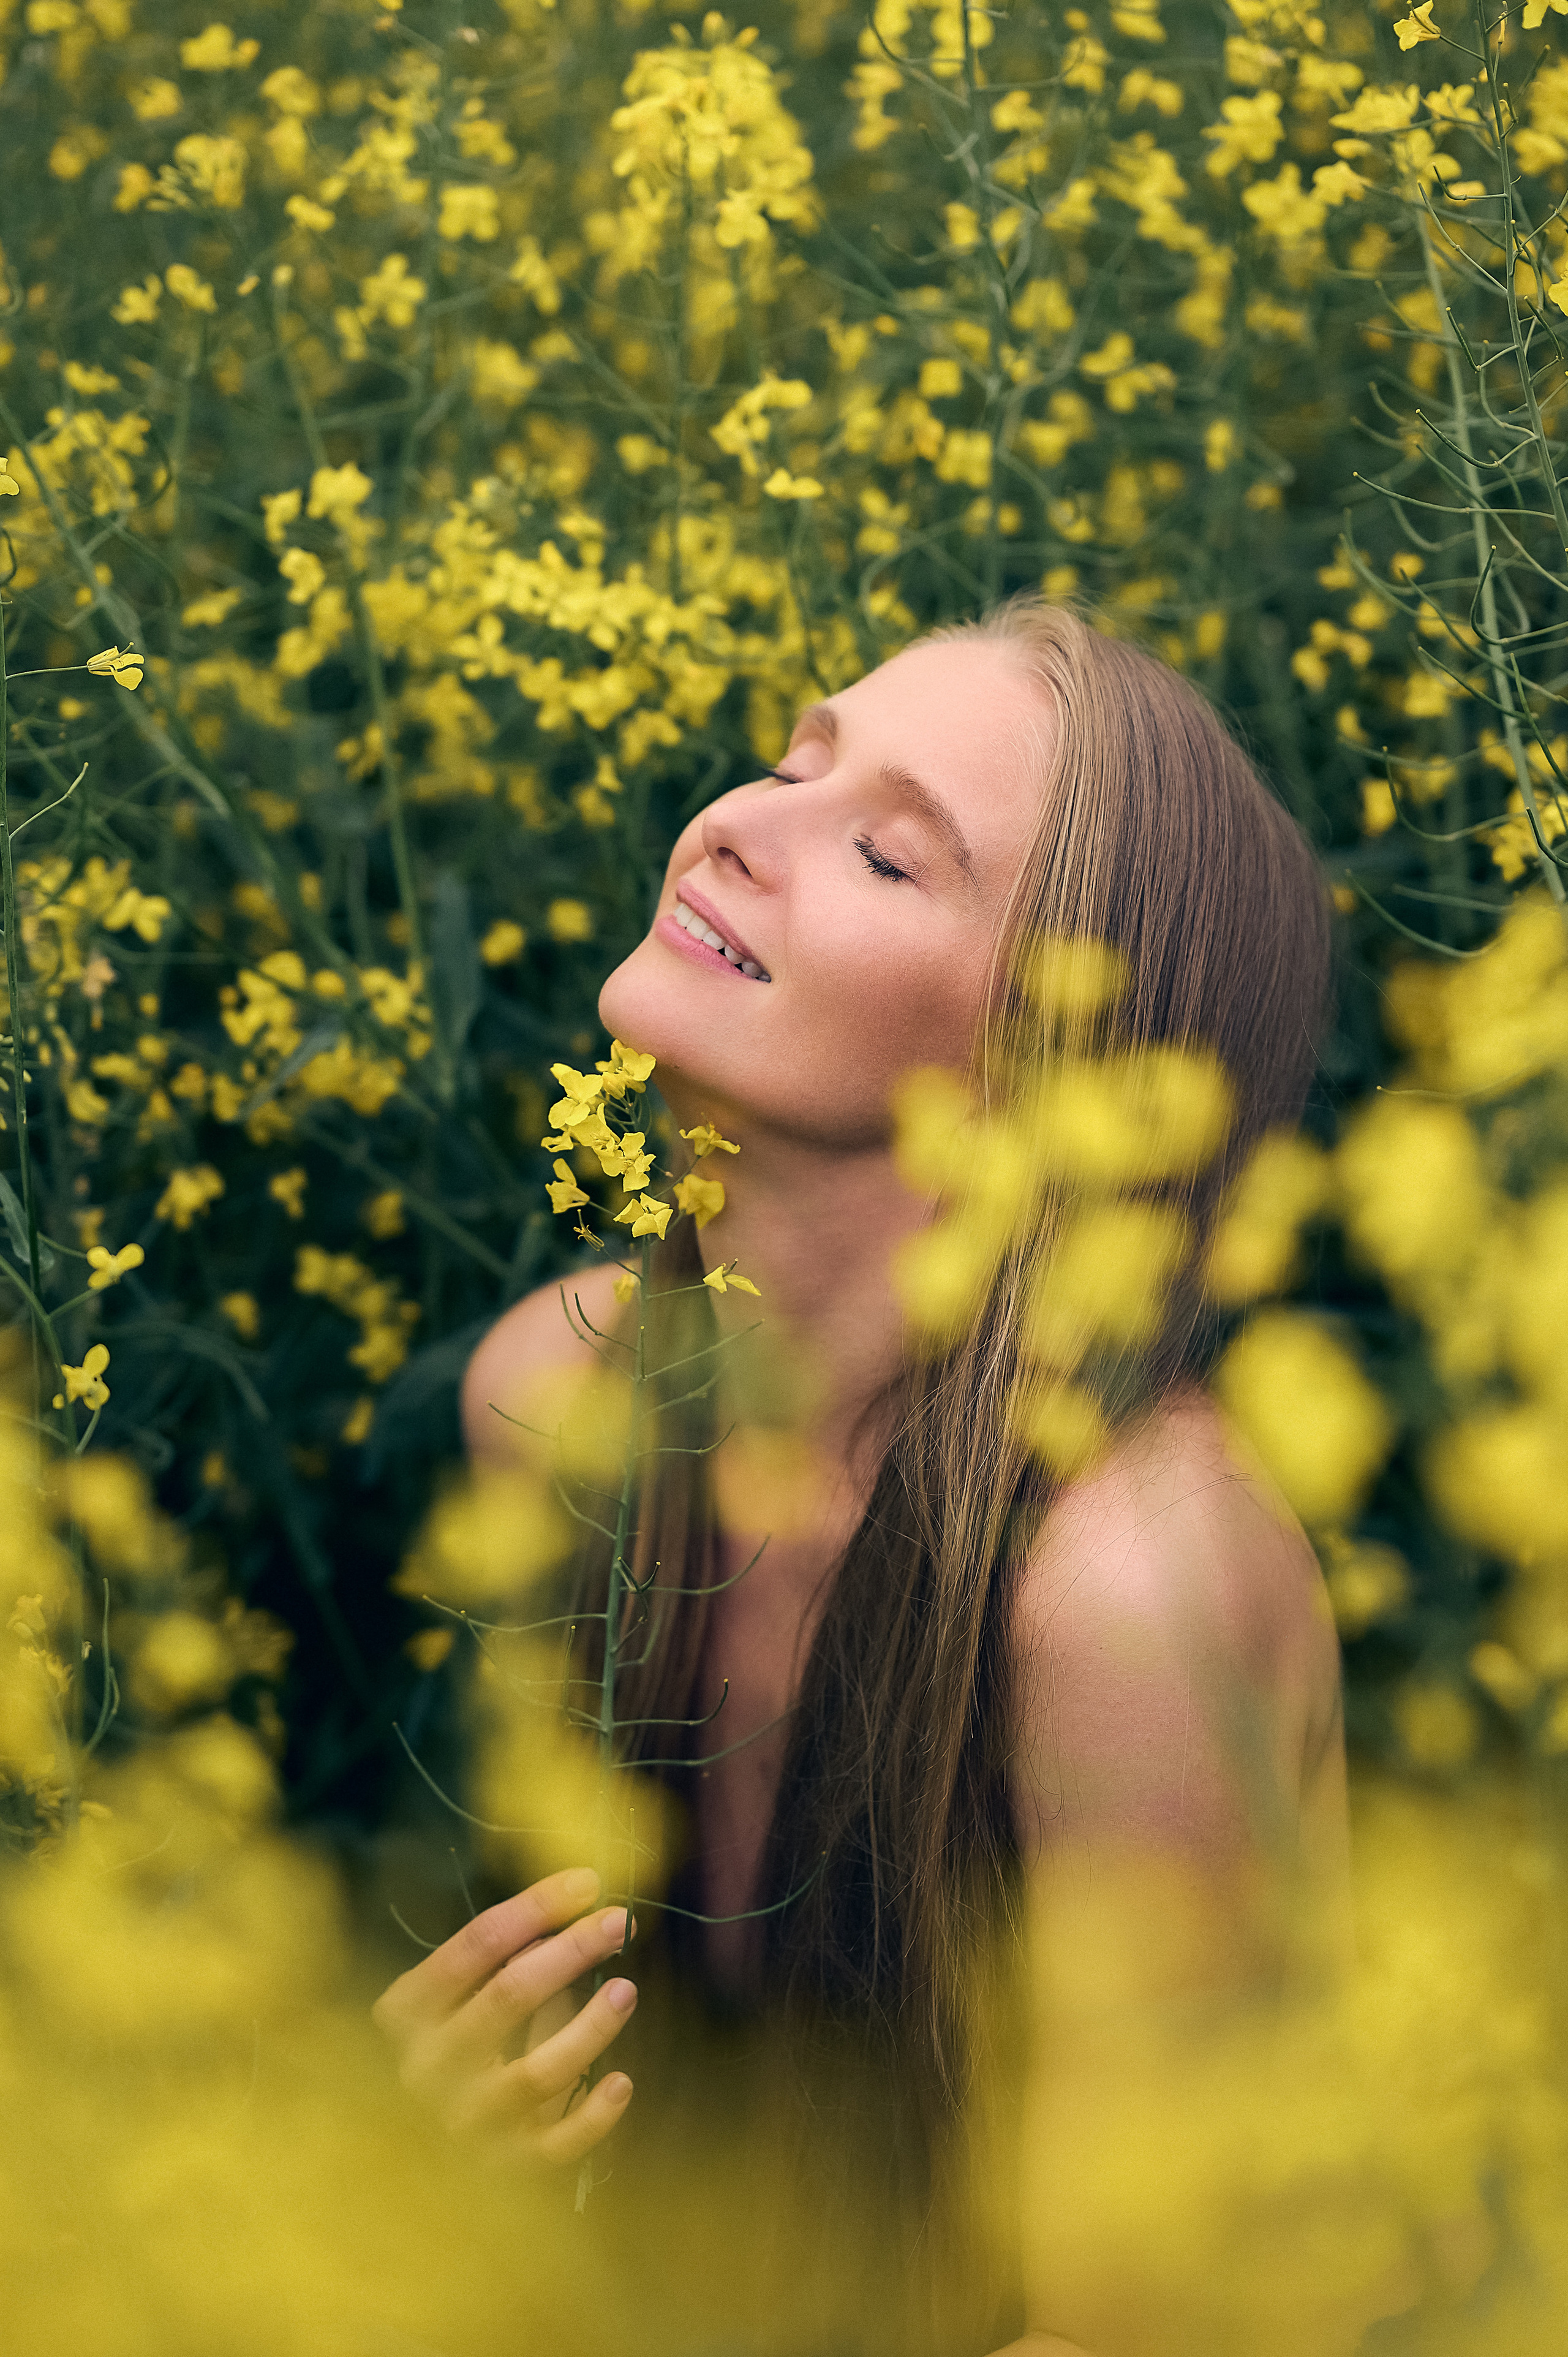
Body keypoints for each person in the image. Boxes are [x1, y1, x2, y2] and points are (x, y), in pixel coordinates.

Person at [373, 596, 1350, 2353]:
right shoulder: (550, 1396)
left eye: (889, 855)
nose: (741, 821)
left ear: (1050, 1074)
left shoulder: (1131, 1591)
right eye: (792, 760)